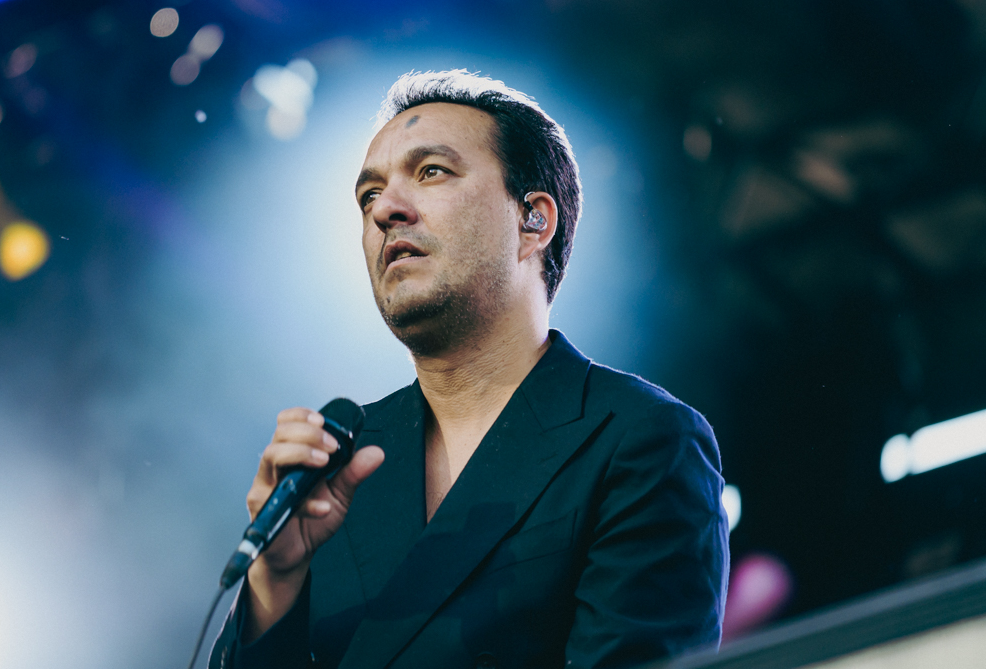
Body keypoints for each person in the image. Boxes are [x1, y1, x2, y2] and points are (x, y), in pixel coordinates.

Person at [209, 70, 728, 669]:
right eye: (368, 195)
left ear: (533, 219)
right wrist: (274, 582)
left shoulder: (641, 440)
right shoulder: (335, 466)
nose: (385, 210)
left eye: (432, 171)